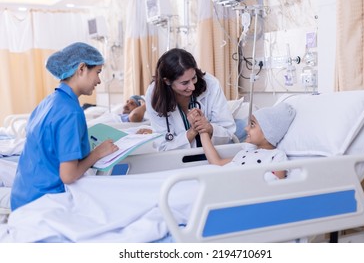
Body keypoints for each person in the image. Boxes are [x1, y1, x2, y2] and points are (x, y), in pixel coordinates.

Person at [10, 42, 119, 210]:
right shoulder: (70, 112)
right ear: (81, 68)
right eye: (97, 72)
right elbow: (68, 176)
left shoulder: (48, 102)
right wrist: (97, 153)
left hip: (21, 197)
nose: (98, 80)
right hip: (42, 204)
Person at [145, 48, 236, 151]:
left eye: (193, 78)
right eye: (185, 83)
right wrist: (193, 131)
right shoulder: (154, 94)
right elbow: (162, 145)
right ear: (167, 81)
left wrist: (209, 128)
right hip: (176, 160)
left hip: (214, 153)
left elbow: (228, 131)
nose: (192, 87)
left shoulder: (211, 84)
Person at [199, 102, 296, 180]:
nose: (246, 128)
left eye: (252, 124)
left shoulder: (277, 156)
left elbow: (277, 186)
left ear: (268, 133)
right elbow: (217, 163)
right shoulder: (246, 152)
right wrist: (202, 132)